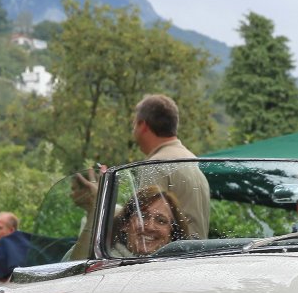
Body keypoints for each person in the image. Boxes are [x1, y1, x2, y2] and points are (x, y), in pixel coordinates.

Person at [70, 94, 210, 240]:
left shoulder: (156, 165)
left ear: (142, 125)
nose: (133, 131)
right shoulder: (189, 159)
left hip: (172, 253)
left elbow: (143, 227)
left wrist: (97, 205)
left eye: (134, 124)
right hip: (195, 252)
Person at [109, 185, 187, 257]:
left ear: (172, 233)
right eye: (142, 216)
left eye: (161, 221)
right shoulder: (108, 263)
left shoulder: (183, 264)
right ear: (125, 223)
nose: (150, 227)